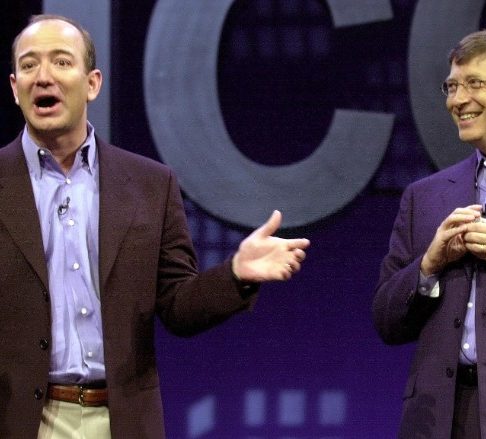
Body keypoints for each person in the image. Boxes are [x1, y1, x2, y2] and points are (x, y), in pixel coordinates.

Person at [2, 14, 310, 438]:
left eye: (61, 62)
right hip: (21, 421)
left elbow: (178, 306)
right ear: (14, 87)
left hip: (122, 420)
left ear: (92, 83)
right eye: (29, 65)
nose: (43, 77)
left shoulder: (150, 184)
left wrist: (235, 275)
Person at [373, 29, 486, 438]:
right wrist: (428, 266)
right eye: (452, 86)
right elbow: (387, 320)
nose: (457, 100)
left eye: (474, 83)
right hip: (437, 419)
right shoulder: (424, 196)